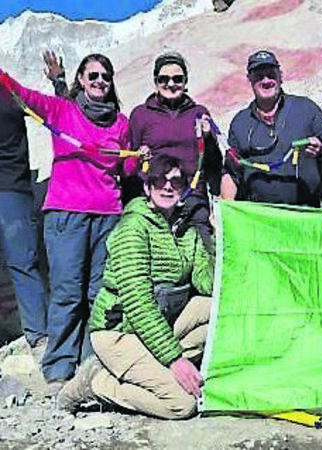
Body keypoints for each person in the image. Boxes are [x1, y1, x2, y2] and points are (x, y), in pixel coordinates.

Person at [1, 54, 134, 390]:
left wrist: (140, 158)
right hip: (66, 216)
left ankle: (92, 364)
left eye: (106, 75)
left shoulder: (120, 123)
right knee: (67, 292)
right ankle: (59, 368)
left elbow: (126, 170)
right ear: (81, 79)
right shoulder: (63, 110)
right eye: (93, 75)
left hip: (108, 216)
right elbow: (21, 95)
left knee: (99, 294)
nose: (100, 81)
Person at [57, 155, 214, 419]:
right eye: (159, 181)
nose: (167, 187)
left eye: (175, 181)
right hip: (121, 331)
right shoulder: (133, 228)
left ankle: (146, 367)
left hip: (158, 324)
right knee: (182, 405)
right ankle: (97, 382)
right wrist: (174, 361)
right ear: (147, 187)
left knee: (216, 311)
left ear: (184, 187)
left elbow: (208, 285)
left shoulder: (186, 231)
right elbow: (138, 302)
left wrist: (217, 240)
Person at [128, 52, 222, 251]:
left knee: (205, 255)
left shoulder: (199, 113)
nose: (171, 84)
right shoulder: (140, 114)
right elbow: (130, 164)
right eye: (164, 79)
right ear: (155, 82)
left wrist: (209, 139)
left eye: (177, 79)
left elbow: (214, 164)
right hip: (154, 201)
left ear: (186, 82)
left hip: (193, 198)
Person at [220, 50, 322, 206]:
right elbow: (231, 172)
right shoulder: (240, 122)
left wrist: (321, 148)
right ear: (249, 79)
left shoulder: (305, 108)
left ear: (281, 76)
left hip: (305, 211)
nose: (266, 80)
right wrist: (225, 208)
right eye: (259, 76)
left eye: (271, 74)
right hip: (258, 215)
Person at [0, 75, 49, 360]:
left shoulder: (11, 90)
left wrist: (58, 83)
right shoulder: (10, 89)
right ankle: (38, 338)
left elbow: (53, 113)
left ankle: (38, 337)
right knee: (23, 265)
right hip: (15, 190)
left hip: (14, 189)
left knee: (22, 264)